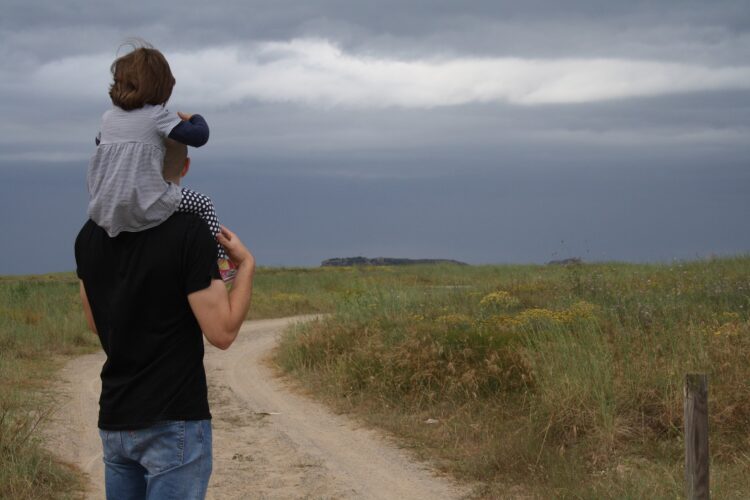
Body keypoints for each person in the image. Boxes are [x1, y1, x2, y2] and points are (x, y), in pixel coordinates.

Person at [76, 139, 256, 499]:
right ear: (184, 168)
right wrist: (246, 266)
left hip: (115, 419)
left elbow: (96, 323)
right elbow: (222, 333)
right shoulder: (189, 231)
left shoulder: (90, 233)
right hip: (173, 418)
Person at [88, 42, 235, 281]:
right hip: (148, 203)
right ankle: (223, 267)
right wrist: (195, 118)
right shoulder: (157, 117)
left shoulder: (107, 119)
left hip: (106, 205)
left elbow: (100, 146)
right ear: (161, 88)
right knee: (204, 204)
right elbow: (200, 137)